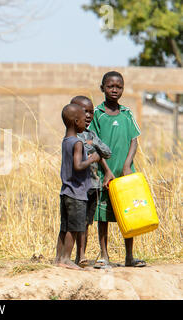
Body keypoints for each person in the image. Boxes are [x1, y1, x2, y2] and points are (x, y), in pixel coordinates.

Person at [89, 71, 146, 269]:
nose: (114, 90)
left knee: (130, 214)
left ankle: (129, 256)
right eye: (110, 86)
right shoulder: (97, 113)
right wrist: (106, 170)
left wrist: (127, 165)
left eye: (118, 87)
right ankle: (104, 256)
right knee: (102, 215)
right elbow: (95, 143)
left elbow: (133, 141)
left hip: (125, 172)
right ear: (102, 88)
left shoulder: (127, 113)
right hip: (106, 173)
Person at [55, 104, 100, 270]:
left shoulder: (66, 141)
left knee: (64, 227)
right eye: (83, 120)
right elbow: (78, 165)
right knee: (73, 229)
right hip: (77, 193)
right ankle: (66, 259)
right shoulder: (78, 143)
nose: (86, 122)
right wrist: (92, 159)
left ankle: (58, 258)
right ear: (75, 122)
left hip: (65, 191)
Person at [70, 96, 111, 267]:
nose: (88, 115)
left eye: (90, 112)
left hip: (93, 186)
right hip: (78, 187)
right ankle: (76, 256)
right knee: (76, 222)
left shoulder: (91, 135)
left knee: (86, 222)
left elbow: (107, 152)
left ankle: (82, 256)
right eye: (84, 111)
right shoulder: (71, 137)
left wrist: (94, 144)